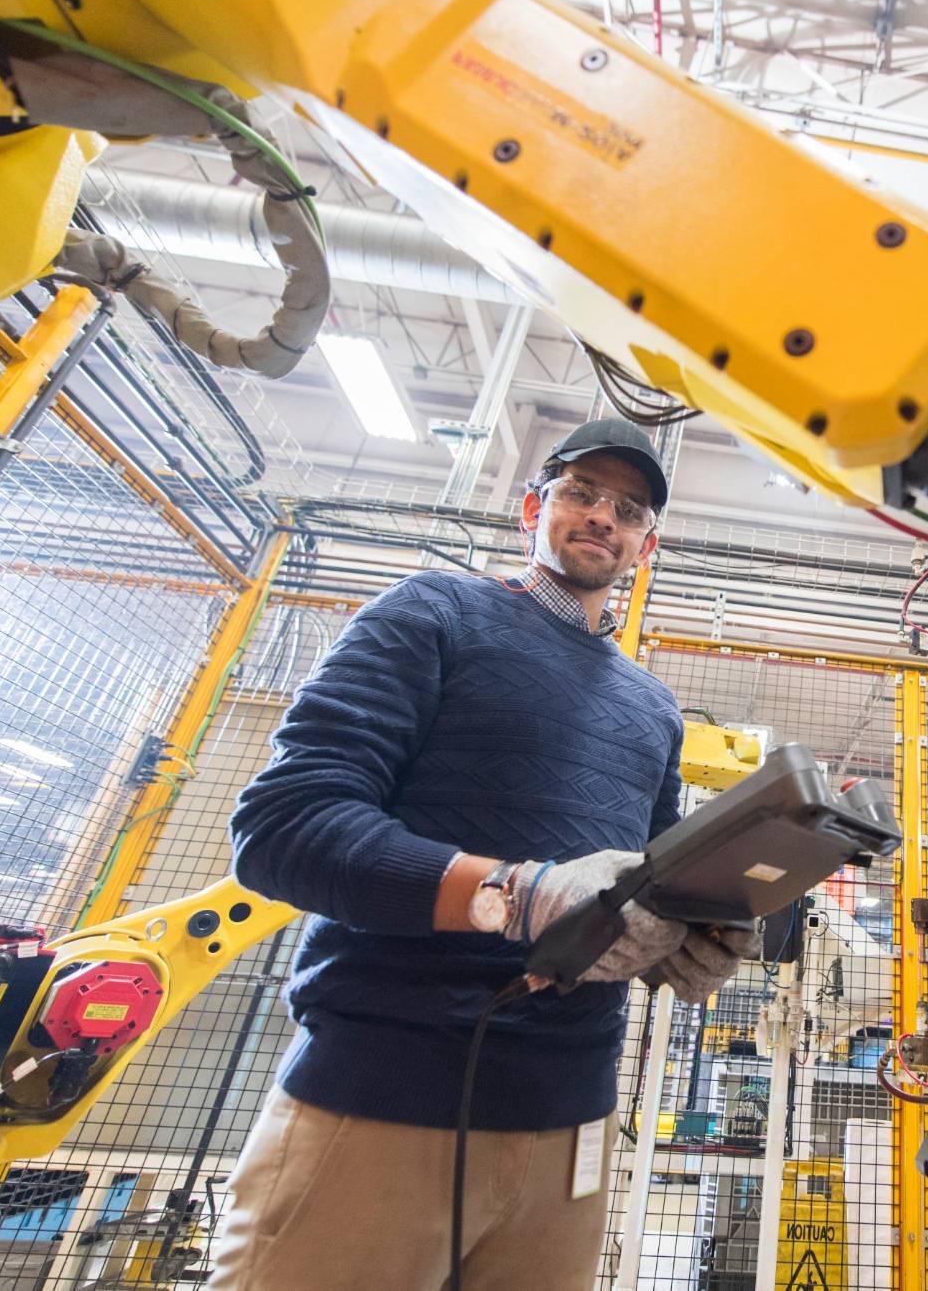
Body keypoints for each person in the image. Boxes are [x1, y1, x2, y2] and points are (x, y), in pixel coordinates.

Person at [210, 418, 760, 1290]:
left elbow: (628, 891)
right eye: (581, 493)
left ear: (646, 547)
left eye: (628, 508)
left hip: (572, 1122)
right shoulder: (433, 613)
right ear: (531, 509)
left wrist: (676, 943)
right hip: (386, 1100)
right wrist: (512, 893)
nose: (602, 517)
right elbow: (283, 826)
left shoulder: (653, 708)